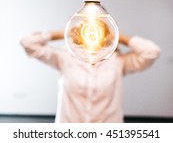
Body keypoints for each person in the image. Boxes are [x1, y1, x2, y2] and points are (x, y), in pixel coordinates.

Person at [20, 30, 160, 123]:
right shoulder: (65, 58)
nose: (92, 31)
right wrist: (67, 32)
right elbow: (27, 42)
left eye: (97, 27)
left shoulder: (117, 61)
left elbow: (152, 51)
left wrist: (116, 35)